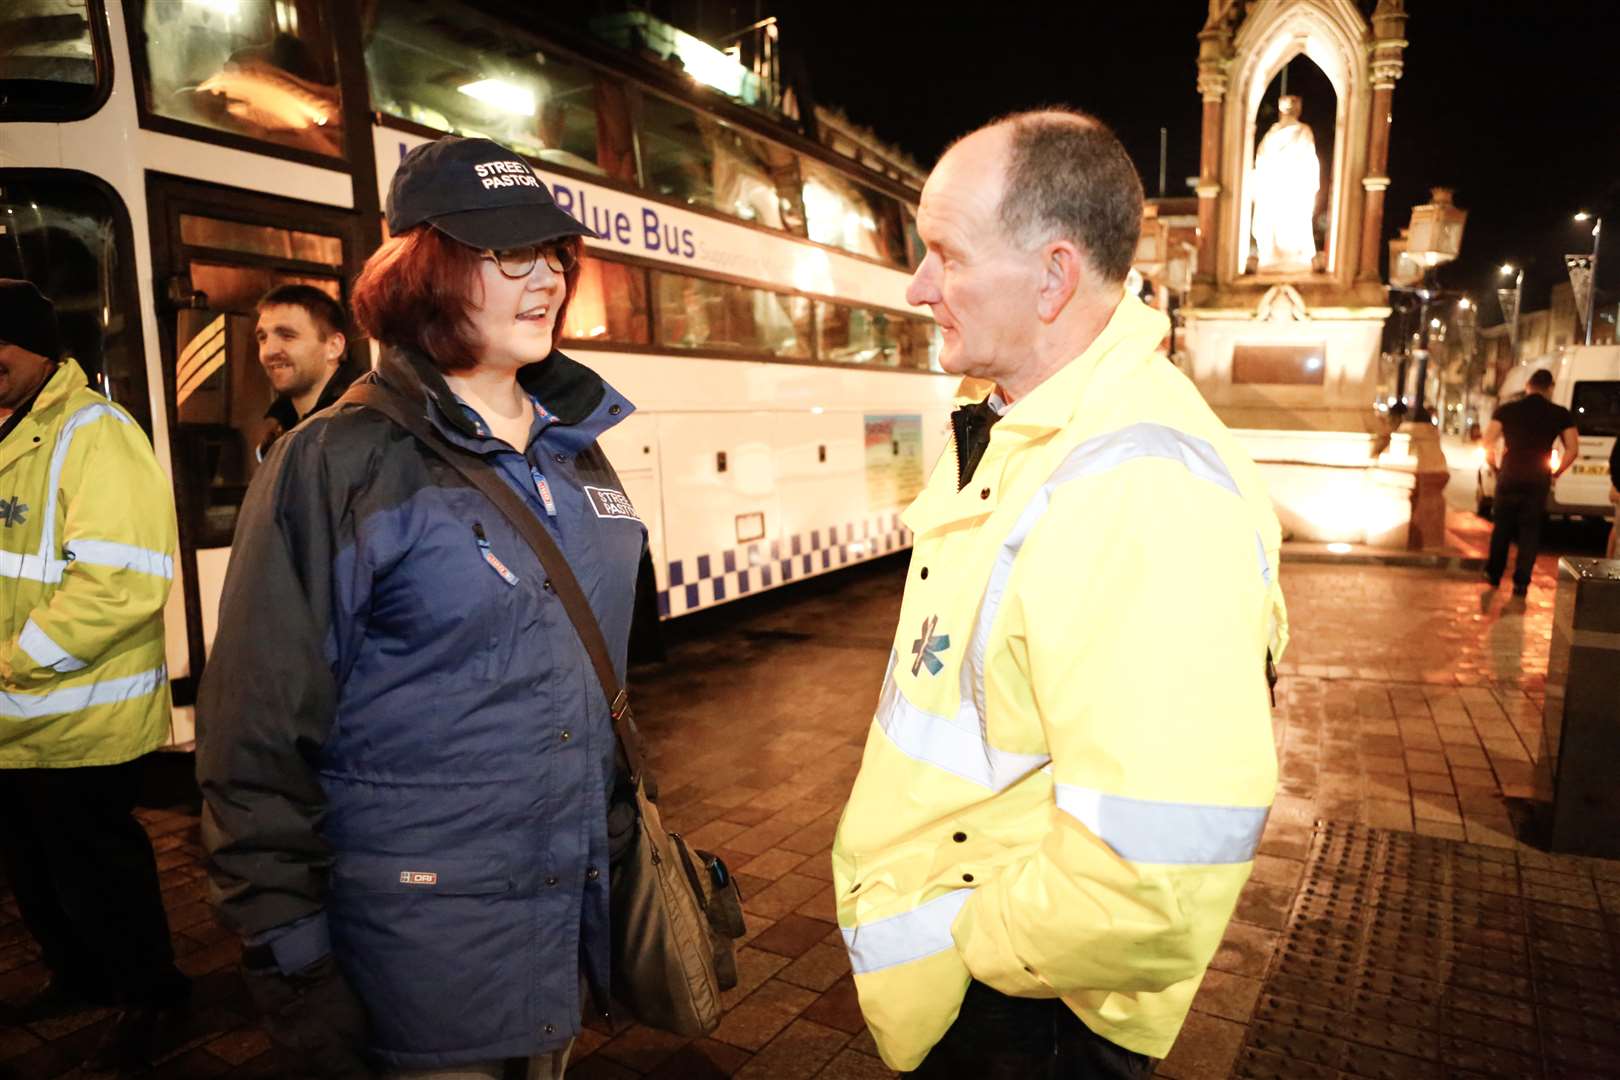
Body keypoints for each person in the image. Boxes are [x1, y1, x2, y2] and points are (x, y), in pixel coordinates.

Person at [831, 110, 1288, 1078]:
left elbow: (1150, 873)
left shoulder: (1139, 490)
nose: (917, 288)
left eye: (945, 255)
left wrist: (974, 951)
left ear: (1053, 275)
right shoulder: (1015, 430)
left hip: (1030, 1017)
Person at [196, 136, 644, 1079]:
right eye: (506, 254)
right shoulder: (333, 461)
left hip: (563, 931)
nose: (548, 280)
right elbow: (254, 744)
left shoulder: (579, 447)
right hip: (418, 961)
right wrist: (293, 958)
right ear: (426, 271)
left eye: (554, 255)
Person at [0, 279, 189, 1067]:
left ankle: (152, 994)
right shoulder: (11, 429)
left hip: (80, 715)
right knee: (34, 872)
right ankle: (78, 976)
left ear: (37, 350)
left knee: (99, 872)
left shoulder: (95, 431)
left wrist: (12, 662)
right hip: (17, 718)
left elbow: (122, 581)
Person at [1481, 368, 1578, 597]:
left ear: (1528, 385)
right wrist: (1556, 472)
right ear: (1550, 388)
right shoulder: (1560, 413)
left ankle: (1494, 574)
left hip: (1510, 472)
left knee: (1502, 527)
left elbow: (1487, 442)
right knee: (1530, 530)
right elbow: (1573, 449)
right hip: (1537, 477)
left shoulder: (1507, 410)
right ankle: (1521, 582)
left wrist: (1496, 467)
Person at [254, 283, 360, 459]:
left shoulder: (358, 428)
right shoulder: (279, 430)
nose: (269, 351)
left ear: (334, 347)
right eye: (262, 338)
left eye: (287, 335)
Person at [1249, 94, 1319, 272]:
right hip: (1280, 191)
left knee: (1290, 227)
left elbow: (1261, 161)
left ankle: (1289, 257)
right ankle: (1274, 256)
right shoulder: (1277, 134)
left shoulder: (1300, 132)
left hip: (1291, 190)